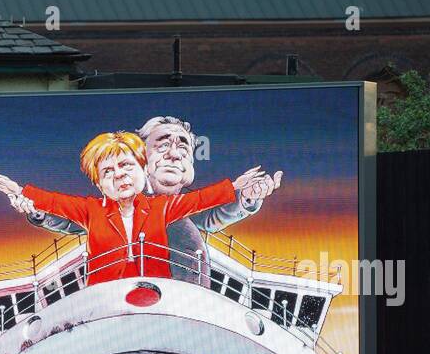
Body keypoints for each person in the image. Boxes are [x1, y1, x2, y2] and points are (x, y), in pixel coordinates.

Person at [20, 116, 282, 288]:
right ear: (140, 159)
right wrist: (39, 213)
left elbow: (214, 217)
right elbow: (70, 221)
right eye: (163, 145)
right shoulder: (116, 205)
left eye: (183, 147)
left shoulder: (182, 207)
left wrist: (247, 199)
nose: (174, 154)